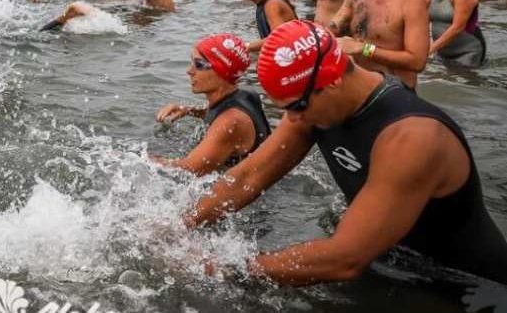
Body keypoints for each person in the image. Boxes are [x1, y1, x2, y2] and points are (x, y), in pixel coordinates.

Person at [183, 21, 507, 286]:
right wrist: (183, 224)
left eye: (295, 107)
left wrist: (225, 267)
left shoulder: (413, 138)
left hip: (465, 284)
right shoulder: (312, 106)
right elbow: (248, 175)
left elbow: (344, 259)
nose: (291, 120)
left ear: (334, 81)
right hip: (387, 259)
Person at [151, 33, 270, 175]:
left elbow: (188, 169)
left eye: (199, 65)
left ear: (223, 71)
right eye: (192, 62)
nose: (189, 71)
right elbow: (218, 113)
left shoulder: (231, 122)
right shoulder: (245, 94)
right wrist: (188, 110)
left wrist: (136, 159)